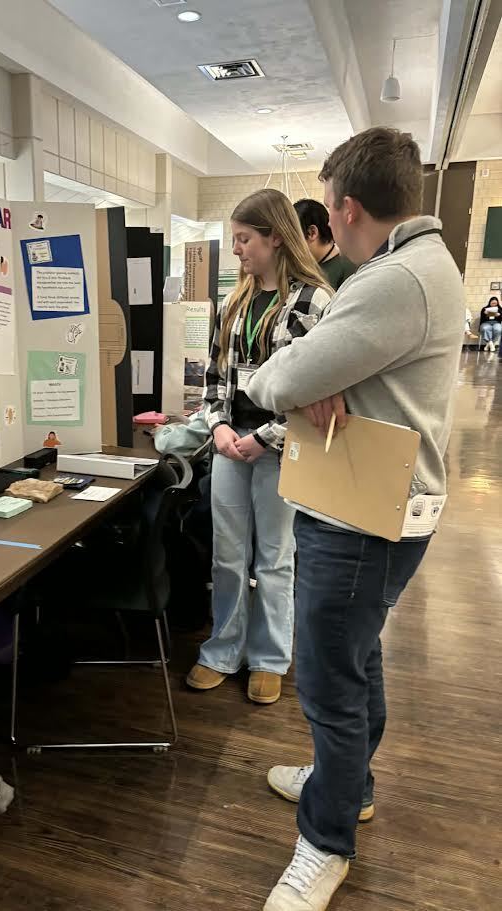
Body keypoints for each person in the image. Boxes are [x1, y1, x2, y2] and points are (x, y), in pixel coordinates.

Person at [247, 128, 464, 910]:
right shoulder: (421, 266)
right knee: (356, 657)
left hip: (358, 517)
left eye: (327, 210)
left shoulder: (393, 280)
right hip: (378, 506)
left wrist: (297, 380)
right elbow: (304, 374)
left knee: (330, 684)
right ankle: (349, 784)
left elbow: (274, 378)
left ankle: (325, 839)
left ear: (342, 208)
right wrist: (309, 379)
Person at [187, 188, 332, 706]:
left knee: (274, 558)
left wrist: (262, 438)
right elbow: (213, 376)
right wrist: (219, 427)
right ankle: (222, 650)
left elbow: (315, 388)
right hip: (230, 444)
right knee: (228, 556)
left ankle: (270, 657)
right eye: (235, 240)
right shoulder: (234, 300)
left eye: (244, 239)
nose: (237, 250)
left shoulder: (315, 301)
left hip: (279, 448)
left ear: (275, 237)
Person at [294, 198, 356, 290]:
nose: (289, 244)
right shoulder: (302, 269)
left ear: (312, 233)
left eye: (293, 237)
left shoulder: (349, 269)